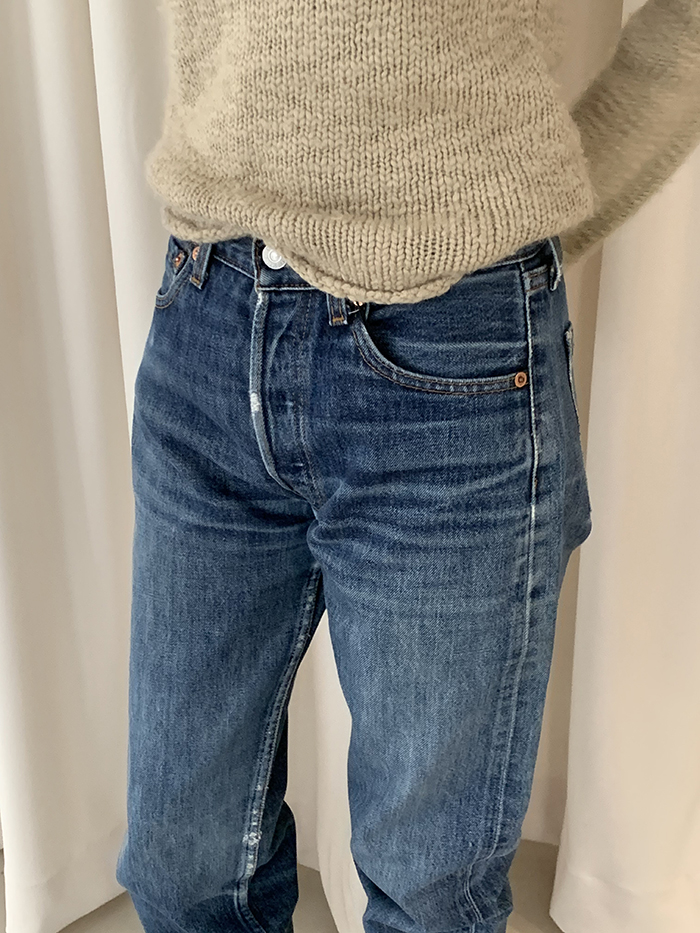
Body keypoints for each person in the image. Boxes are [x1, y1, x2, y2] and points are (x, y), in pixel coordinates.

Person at [115, 2, 700, 932]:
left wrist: (523, 216)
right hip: (207, 320)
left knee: (429, 892)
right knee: (181, 866)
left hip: (452, 357)